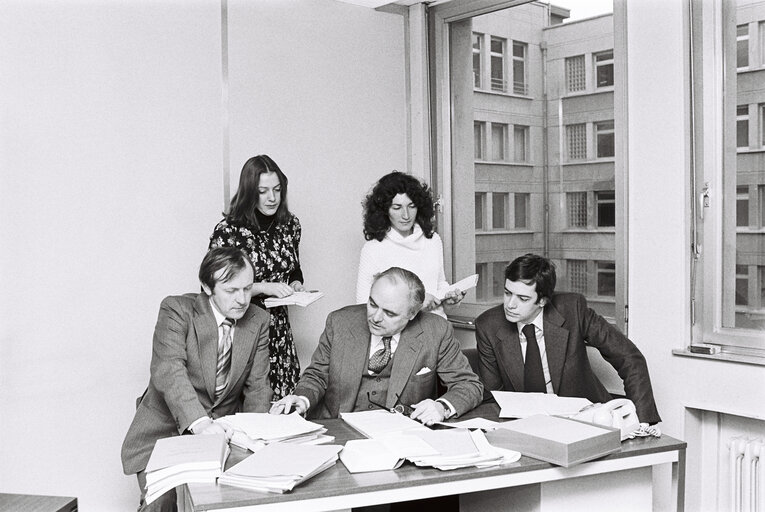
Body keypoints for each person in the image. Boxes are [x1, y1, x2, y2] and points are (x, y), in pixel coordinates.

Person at [121, 247, 272, 512]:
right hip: (165, 433)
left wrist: (255, 436)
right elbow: (169, 370)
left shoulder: (258, 320)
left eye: (248, 289)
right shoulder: (177, 310)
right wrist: (200, 422)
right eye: (231, 290)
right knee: (161, 503)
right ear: (207, 286)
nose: (242, 300)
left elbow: (258, 386)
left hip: (223, 438)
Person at [271, 266, 483, 425]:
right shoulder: (340, 322)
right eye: (372, 304)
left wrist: (441, 407)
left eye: (390, 313)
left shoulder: (436, 331)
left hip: (400, 437)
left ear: (412, 314)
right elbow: (316, 376)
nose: (375, 317)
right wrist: (302, 399)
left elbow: (469, 385)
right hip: (338, 431)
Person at [475, 253, 661, 425]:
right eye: (508, 293)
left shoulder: (573, 309)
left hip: (587, 419)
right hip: (527, 424)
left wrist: (640, 422)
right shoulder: (488, 326)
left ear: (542, 301)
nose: (510, 305)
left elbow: (629, 358)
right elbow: (494, 396)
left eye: (523, 298)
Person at [209, 154, 304, 400]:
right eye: (263, 191)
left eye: (277, 190)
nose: (272, 198)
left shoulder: (289, 225)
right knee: (246, 409)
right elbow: (215, 290)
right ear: (250, 191)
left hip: (279, 332)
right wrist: (264, 287)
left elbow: (293, 267)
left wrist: (296, 284)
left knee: (282, 411)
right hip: (243, 330)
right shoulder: (228, 231)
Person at [356, 171, 464, 318]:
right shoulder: (373, 249)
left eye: (411, 206)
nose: (406, 215)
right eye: (397, 208)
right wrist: (417, 304)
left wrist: (449, 300)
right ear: (384, 210)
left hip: (437, 328)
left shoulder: (433, 240)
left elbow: (438, 284)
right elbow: (364, 306)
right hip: (398, 334)